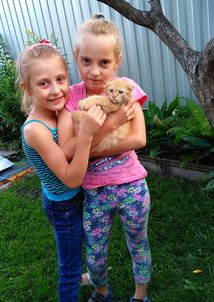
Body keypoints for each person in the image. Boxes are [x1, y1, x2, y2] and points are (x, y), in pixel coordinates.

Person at [58, 15, 151, 302]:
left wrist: (88, 142)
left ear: (117, 61)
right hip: (95, 191)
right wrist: (109, 127)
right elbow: (68, 151)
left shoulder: (126, 88)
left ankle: (140, 296)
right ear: (75, 57)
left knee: (139, 243)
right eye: (86, 61)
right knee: (95, 250)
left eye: (104, 63)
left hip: (132, 186)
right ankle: (101, 291)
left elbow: (138, 139)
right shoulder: (71, 98)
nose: (95, 72)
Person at [17, 39, 106, 302]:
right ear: (27, 88)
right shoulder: (35, 129)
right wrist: (87, 136)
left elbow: (67, 146)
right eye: (44, 83)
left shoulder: (56, 112)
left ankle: (85, 275)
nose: (56, 90)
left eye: (61, 79)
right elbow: (70, 178)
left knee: (78, 250)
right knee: (68, 268)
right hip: (63, 204)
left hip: (74, 199)